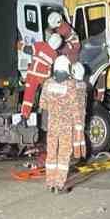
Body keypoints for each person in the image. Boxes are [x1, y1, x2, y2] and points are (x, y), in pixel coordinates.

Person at [39, 56, 78, 194]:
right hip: (66, 126)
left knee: (51, 154)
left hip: (52, 125)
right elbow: (76, 108)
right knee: (63, 155)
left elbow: (43, 105)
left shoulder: (47, 83)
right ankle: (60, 184)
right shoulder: (71, 85)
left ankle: (50, 183)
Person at [20, 33, 63, 119]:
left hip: (33, 74)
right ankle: (47, 112)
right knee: (47, 94)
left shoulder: (41, 45)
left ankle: (25, 115)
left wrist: (19, 45)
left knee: (29, 95)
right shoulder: (55, 54)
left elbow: (28, 50)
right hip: (44, 77)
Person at [71, 62, 89, 160]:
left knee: (76, 138)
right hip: (81, 116)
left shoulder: (74, 86)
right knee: (81, 137)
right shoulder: (83, 85)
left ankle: (77, 157)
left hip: (75, 116)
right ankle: (82, 155)